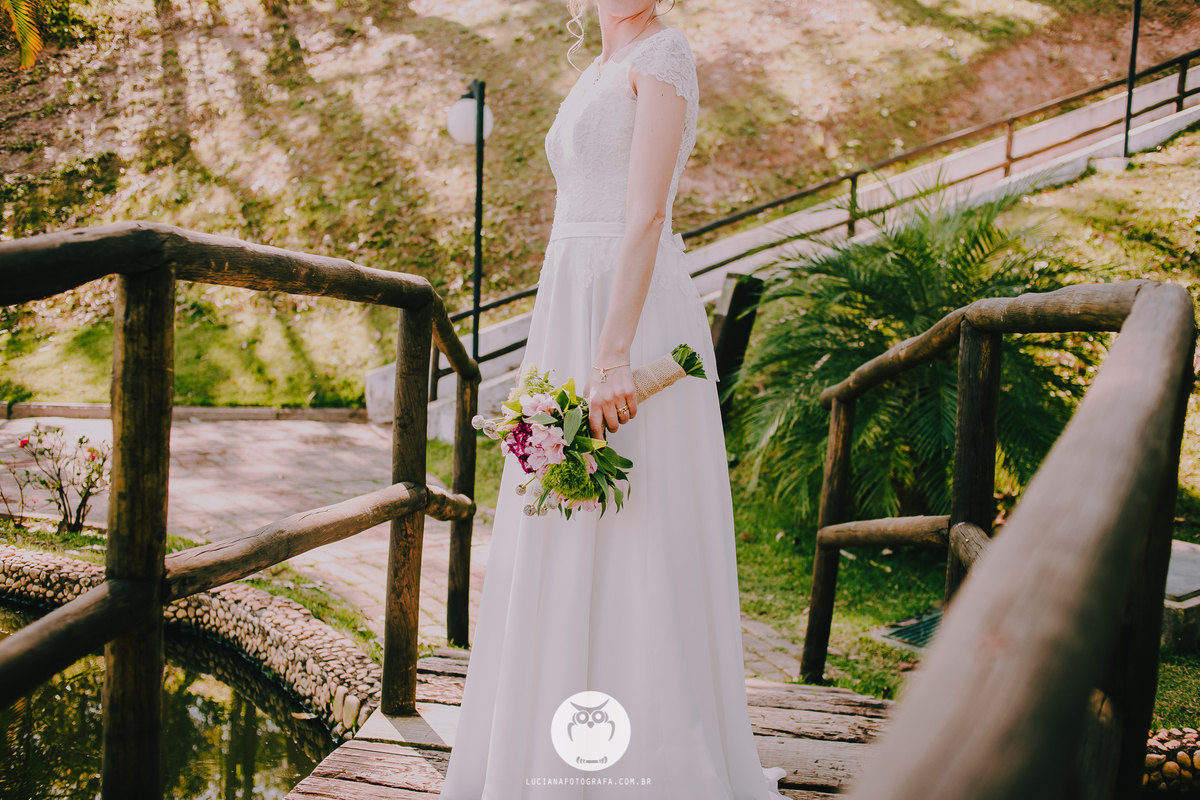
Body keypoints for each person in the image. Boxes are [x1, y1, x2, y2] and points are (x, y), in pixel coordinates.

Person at [439, 1, 788, 797]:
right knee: (558, 510)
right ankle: (550, 744)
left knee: (637, 523)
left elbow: (646, 213)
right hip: (570, 300)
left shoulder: (664, 57)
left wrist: (611, 358)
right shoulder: (597, 66)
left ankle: (647, 758)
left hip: (624, 316)